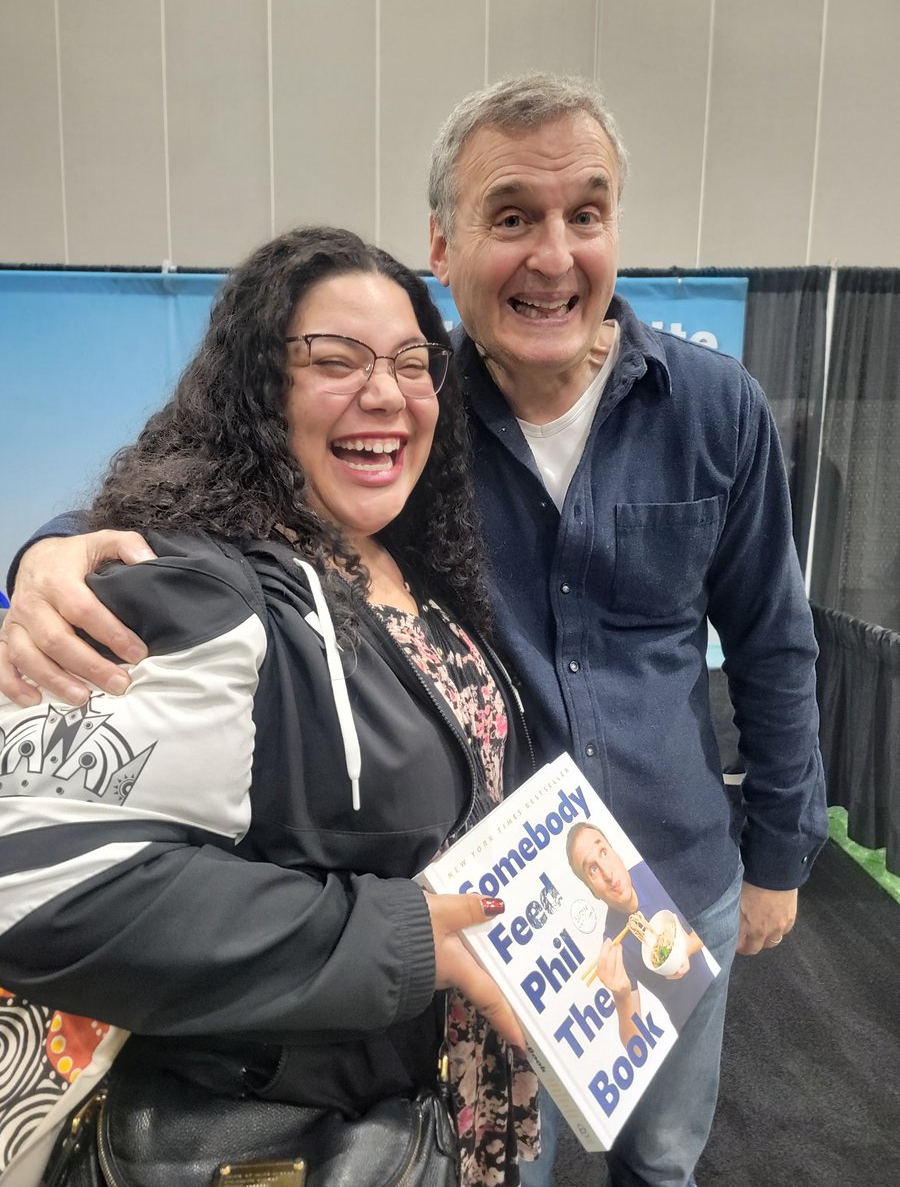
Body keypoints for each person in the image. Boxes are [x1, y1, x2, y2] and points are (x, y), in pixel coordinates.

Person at [0, 74, 828, 1187]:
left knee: (665, 1157)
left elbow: (772, 637)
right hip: (496, 920)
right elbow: (202, 482)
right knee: (507, 1160)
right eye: (511, 217)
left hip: (678, 876)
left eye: (586, 214)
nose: (553, 254)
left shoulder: (713, 407)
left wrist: (778, 849)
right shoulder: (419, 408)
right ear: (443, 245)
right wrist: (58, 552)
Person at [0, 225, 542, 1186]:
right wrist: (402, 935)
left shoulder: (407, 563)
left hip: (427, 1090)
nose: (386, 392)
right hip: (278, 1135)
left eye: (414, 363)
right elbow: (36, 886)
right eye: (336, 359)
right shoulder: (199, 587)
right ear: (259, 389)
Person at [566, 822, 716, 1046]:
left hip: (720, 987)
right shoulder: (614, 944)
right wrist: (623, 996)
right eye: (593, 869)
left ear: (616, 852)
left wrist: (688, 945)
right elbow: (635, 1048)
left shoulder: (652, 870)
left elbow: (715, 915)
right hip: (691, 1031)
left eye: (604, 852)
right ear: (591, 890)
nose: (607, 872)